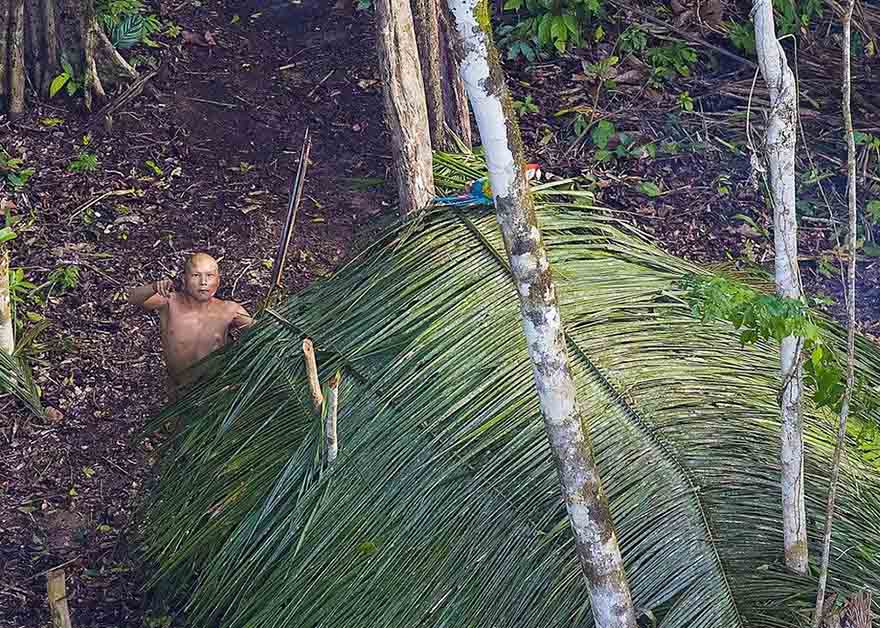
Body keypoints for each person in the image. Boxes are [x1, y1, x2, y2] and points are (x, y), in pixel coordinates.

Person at [128, 252, 255, 402]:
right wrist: (154, 287)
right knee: (177, 422)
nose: (203, 282)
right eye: (196, 275)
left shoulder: (229, 310)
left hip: (214, 391)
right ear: (184, 279)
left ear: (218, 280)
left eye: (209, 276)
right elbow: (132, 297)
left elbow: (261, 334)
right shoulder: (169, 302)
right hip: (178, 390)